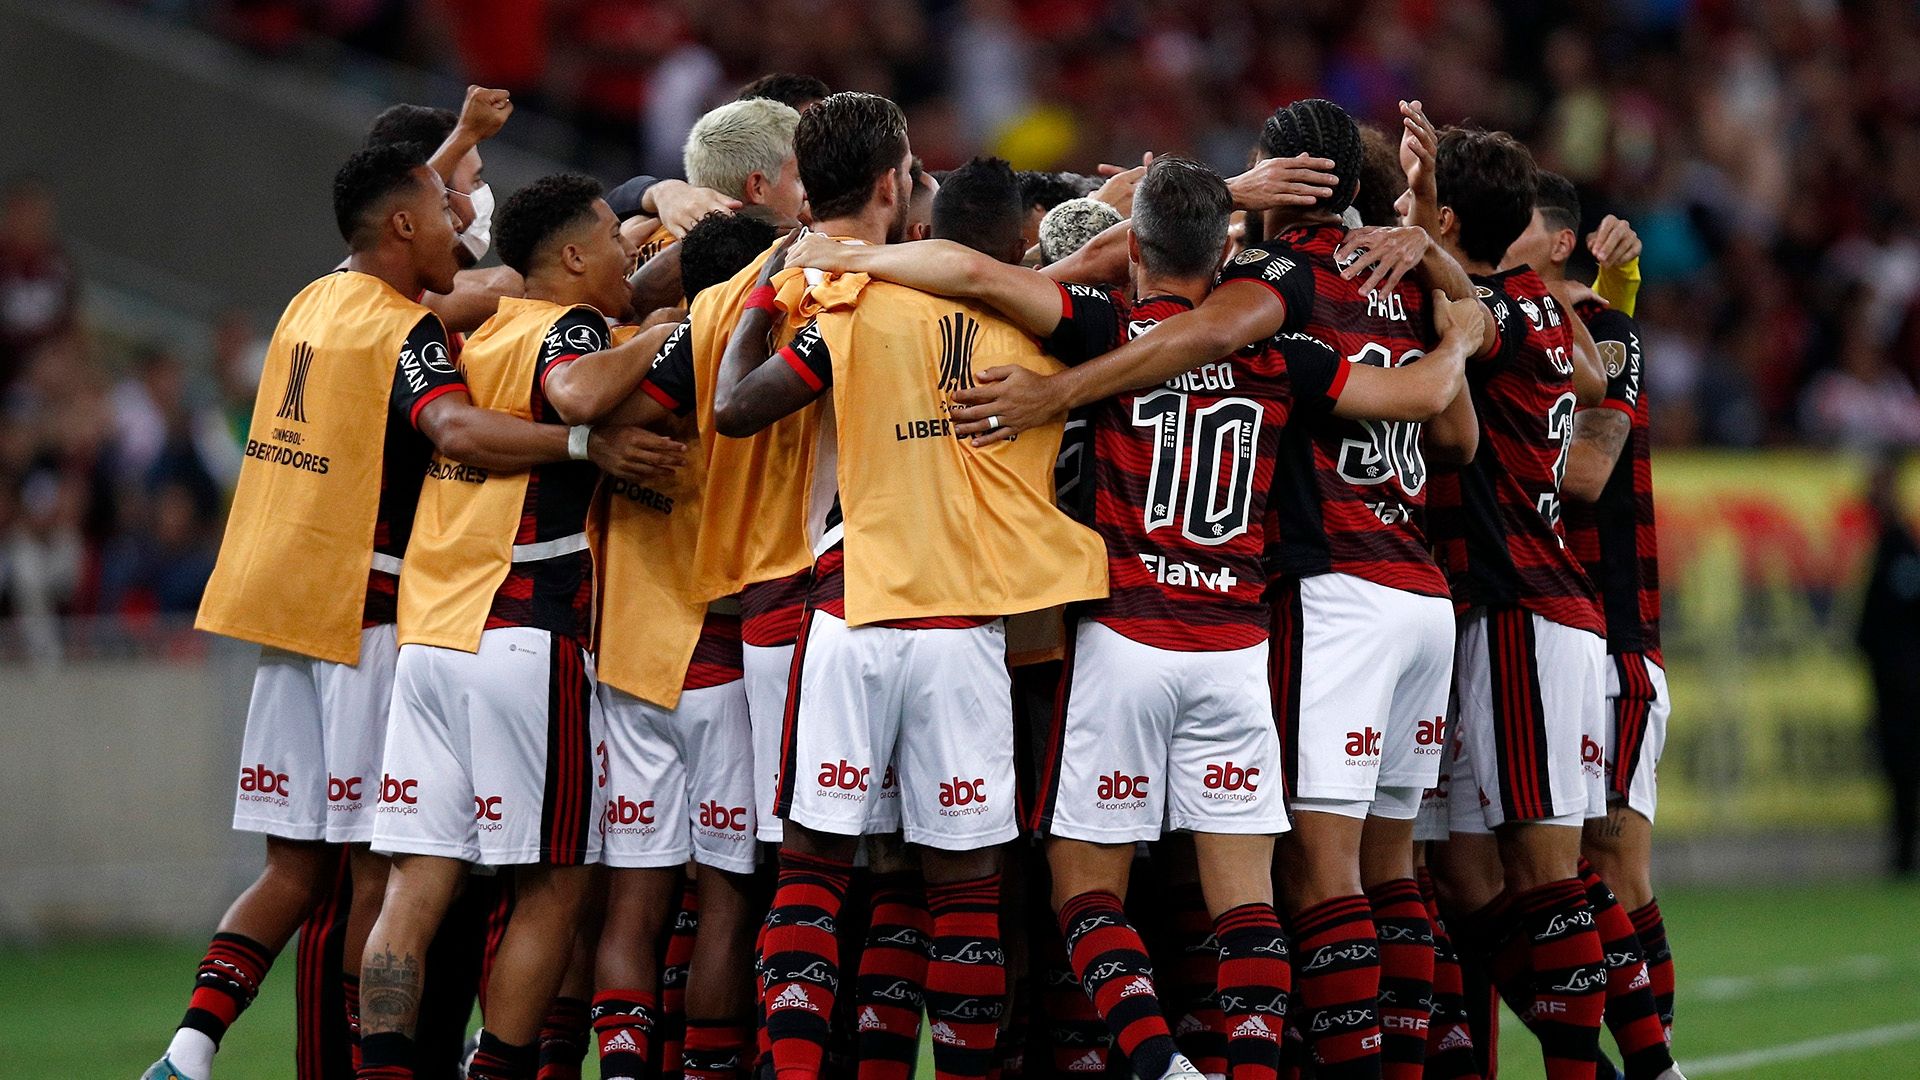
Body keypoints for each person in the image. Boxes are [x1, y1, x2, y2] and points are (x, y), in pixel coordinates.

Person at [792, 153, 1489, 1080]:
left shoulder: (1104, 328)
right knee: (1245, 904)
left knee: (1085, 892)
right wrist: (1463, 339)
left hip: (1126, 639)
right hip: (1235, 648)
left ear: (1136, 254)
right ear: (1223, 253)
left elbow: (968, 270)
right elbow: (1426, 397)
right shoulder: (1285, 352)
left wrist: (843, 258)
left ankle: (1158, 1064)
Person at [141, 143, 670, 1080]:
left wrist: (462, 140)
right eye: (443, 210)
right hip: (388, 612)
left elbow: (434, 234)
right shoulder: (420, 333)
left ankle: (191, 1052)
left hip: (300, 615)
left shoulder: (313, 300)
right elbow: (465, 420)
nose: (458, 223)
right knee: (473, 880)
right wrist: (591, 438)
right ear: (400, 226)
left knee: (320, 872)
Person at [716, 145, 1111, 1078]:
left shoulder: (853, 313)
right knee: (966, 894)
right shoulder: (1049, 329)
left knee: (811, 879)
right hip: (966, 635)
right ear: (1016, 241)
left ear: (922, 233)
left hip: (854, 613)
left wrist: (766, 298)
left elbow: (735, 409)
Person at [355, 173, 683, 1080]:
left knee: (415, 886)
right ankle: (493, 1070)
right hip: (523, 634)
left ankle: (382, 1068)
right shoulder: (566, 328)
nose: (627, 256)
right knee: (557, 884)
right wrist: (667, 339)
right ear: (573, 256)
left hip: (429, 639)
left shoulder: (482, 330)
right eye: (615, 241)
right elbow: (578, 395)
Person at [1396, 116, 1621, 1080]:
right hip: (1536, 606)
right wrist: (1432, 218)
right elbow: (1597, 370)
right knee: (1468, 873)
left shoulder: (1489, 314)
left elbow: (1475, 322)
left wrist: (1428, 249)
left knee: (1540, 871)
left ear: (1450, 218)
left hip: (1521, 603)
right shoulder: (1540, 303)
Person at [1513, 174, 1682, 1078]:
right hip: (1556, 637)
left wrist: (1613, 300)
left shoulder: (1603, 331)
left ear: (1562, 243)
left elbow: (1582, 478)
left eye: (1520, 230)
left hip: (1611, 638)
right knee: (1543, 872)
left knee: (1608, 867)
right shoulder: (1562, 324)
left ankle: (1660, 1065)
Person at [1859, 454, 1920, 879]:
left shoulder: (1900, 547)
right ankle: (1902, 852)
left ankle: (1905, 853)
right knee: (1899, 768)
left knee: (1905, 766)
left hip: (1905, 683)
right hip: (1893, 681)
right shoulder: (1890, 545)